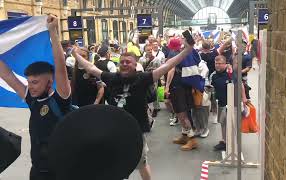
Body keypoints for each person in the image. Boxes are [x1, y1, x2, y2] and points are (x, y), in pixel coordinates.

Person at [71, 36, 194, 180]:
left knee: (141, 162)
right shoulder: (112, 78)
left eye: (128, 62)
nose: (124, 64)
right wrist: (75, 55)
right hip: (115, 131)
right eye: (122, 62)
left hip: (135, 130)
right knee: (117, 163)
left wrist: (186, 51)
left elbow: (166, 66)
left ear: (135, 65)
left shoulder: (142, 79)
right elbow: (91, 68)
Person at [0, 15, 71, 180]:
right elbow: (8, 75)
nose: (30, 86)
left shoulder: (61, 100)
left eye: (35, 82)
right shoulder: (32, 100)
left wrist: (53, 33)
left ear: (50, 81)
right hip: (38, 171)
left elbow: (60, 65)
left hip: (61, 172)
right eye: (29, 82)